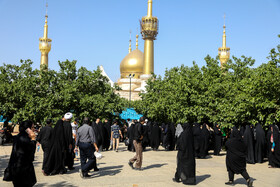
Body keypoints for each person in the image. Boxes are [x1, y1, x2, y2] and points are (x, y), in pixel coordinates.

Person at [4, 120, 37, 187]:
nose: (34, 129)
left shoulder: (18, 137)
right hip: (23, 171)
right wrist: (33, 139)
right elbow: (31, 155)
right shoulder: (25, 139)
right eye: (32, 127)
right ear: (28, 129)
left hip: (16, 169)